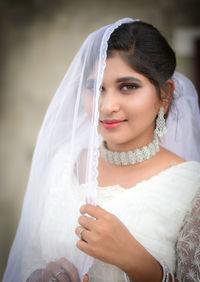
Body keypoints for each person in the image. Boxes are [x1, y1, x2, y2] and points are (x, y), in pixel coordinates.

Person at [3, 18, 200, 282]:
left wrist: (136, 259)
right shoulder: (64, 164)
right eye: (96, 88)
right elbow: (28, 260)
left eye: (128, 87)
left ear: (164, 94)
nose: (106, 106)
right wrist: (40, 276)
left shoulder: (191, 187)